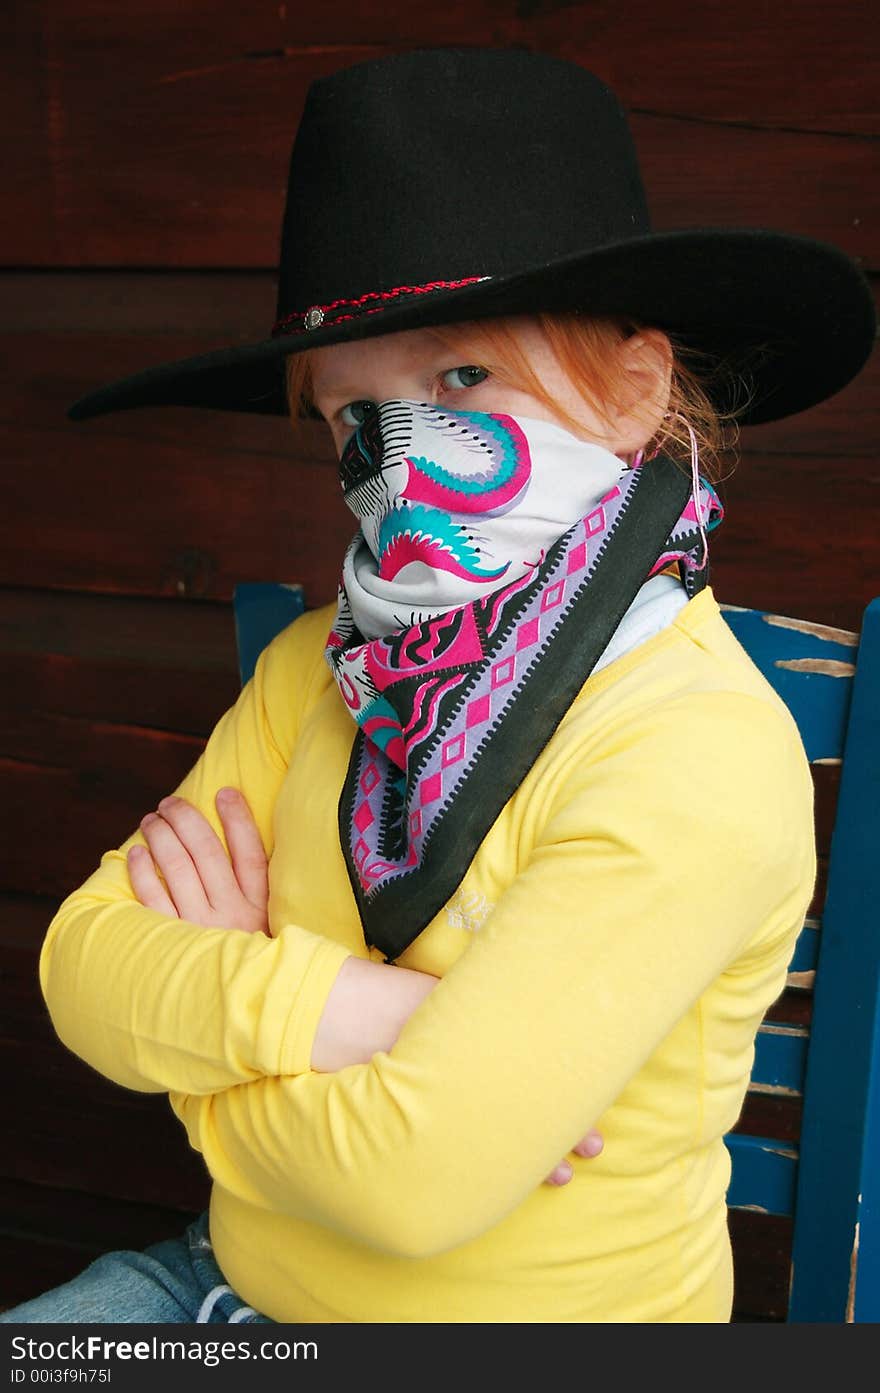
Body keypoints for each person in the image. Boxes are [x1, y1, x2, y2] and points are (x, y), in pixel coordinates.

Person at [3, 47, 874, 1325]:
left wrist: (204, 1042)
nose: (401, 457)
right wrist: (357, 1010)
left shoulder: (690, 746)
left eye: (461, 378)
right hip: (227, 1282)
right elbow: (82, 965)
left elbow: (410, 1181)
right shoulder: (318, 669)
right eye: (354, 415)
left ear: (634, 388)